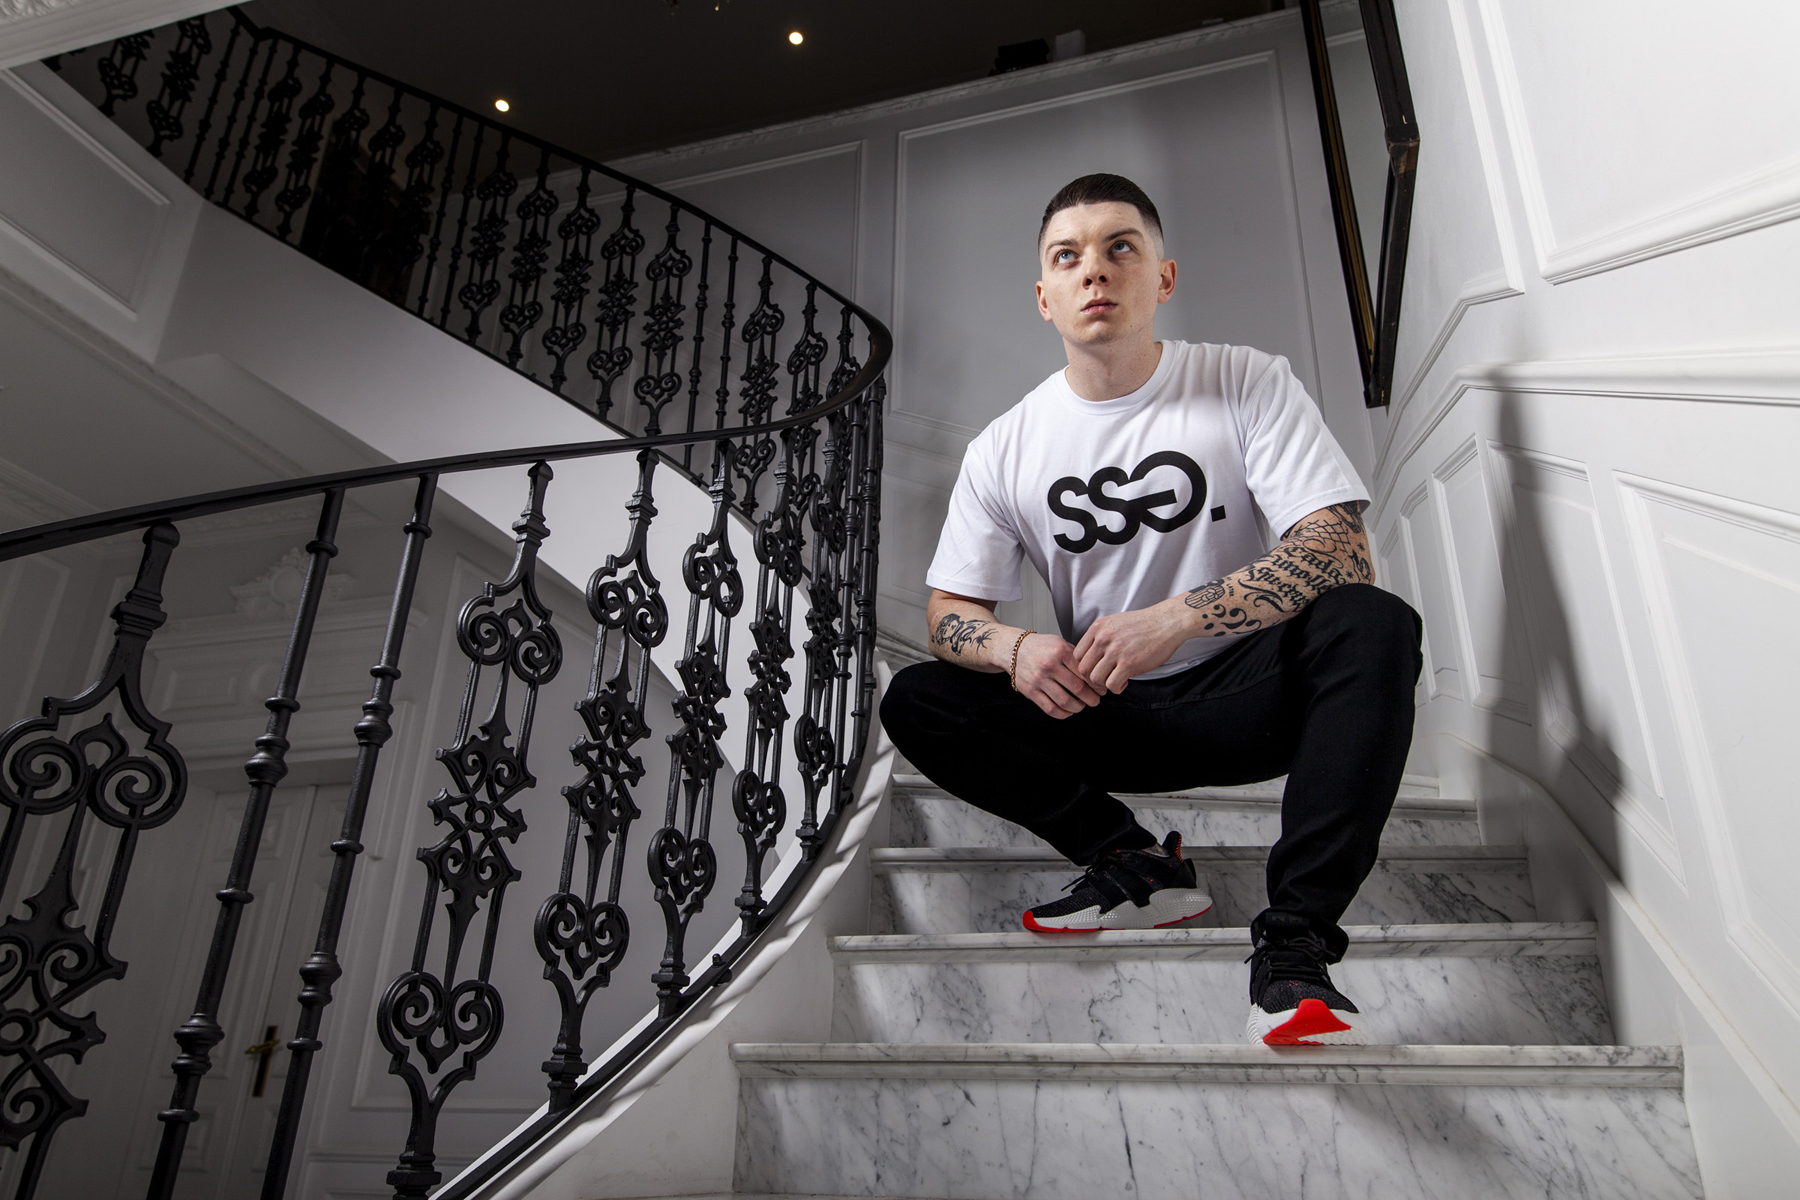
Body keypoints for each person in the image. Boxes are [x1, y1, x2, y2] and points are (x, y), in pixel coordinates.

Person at [879, 173, 1422, 1046]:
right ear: (1045, 297)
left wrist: (1176, 618)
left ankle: (1293, 949)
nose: (1094, 270)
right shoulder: (1003, 447)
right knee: (918, 697)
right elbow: (948, 614)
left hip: (1245, 696)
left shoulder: (1243, 380)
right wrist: (1016, 648)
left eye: (1119, 247)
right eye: (1068, 257)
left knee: (1373, 620)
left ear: (1161, 277)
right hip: (1104, 711)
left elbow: (1338, 549)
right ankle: (1131, 859)